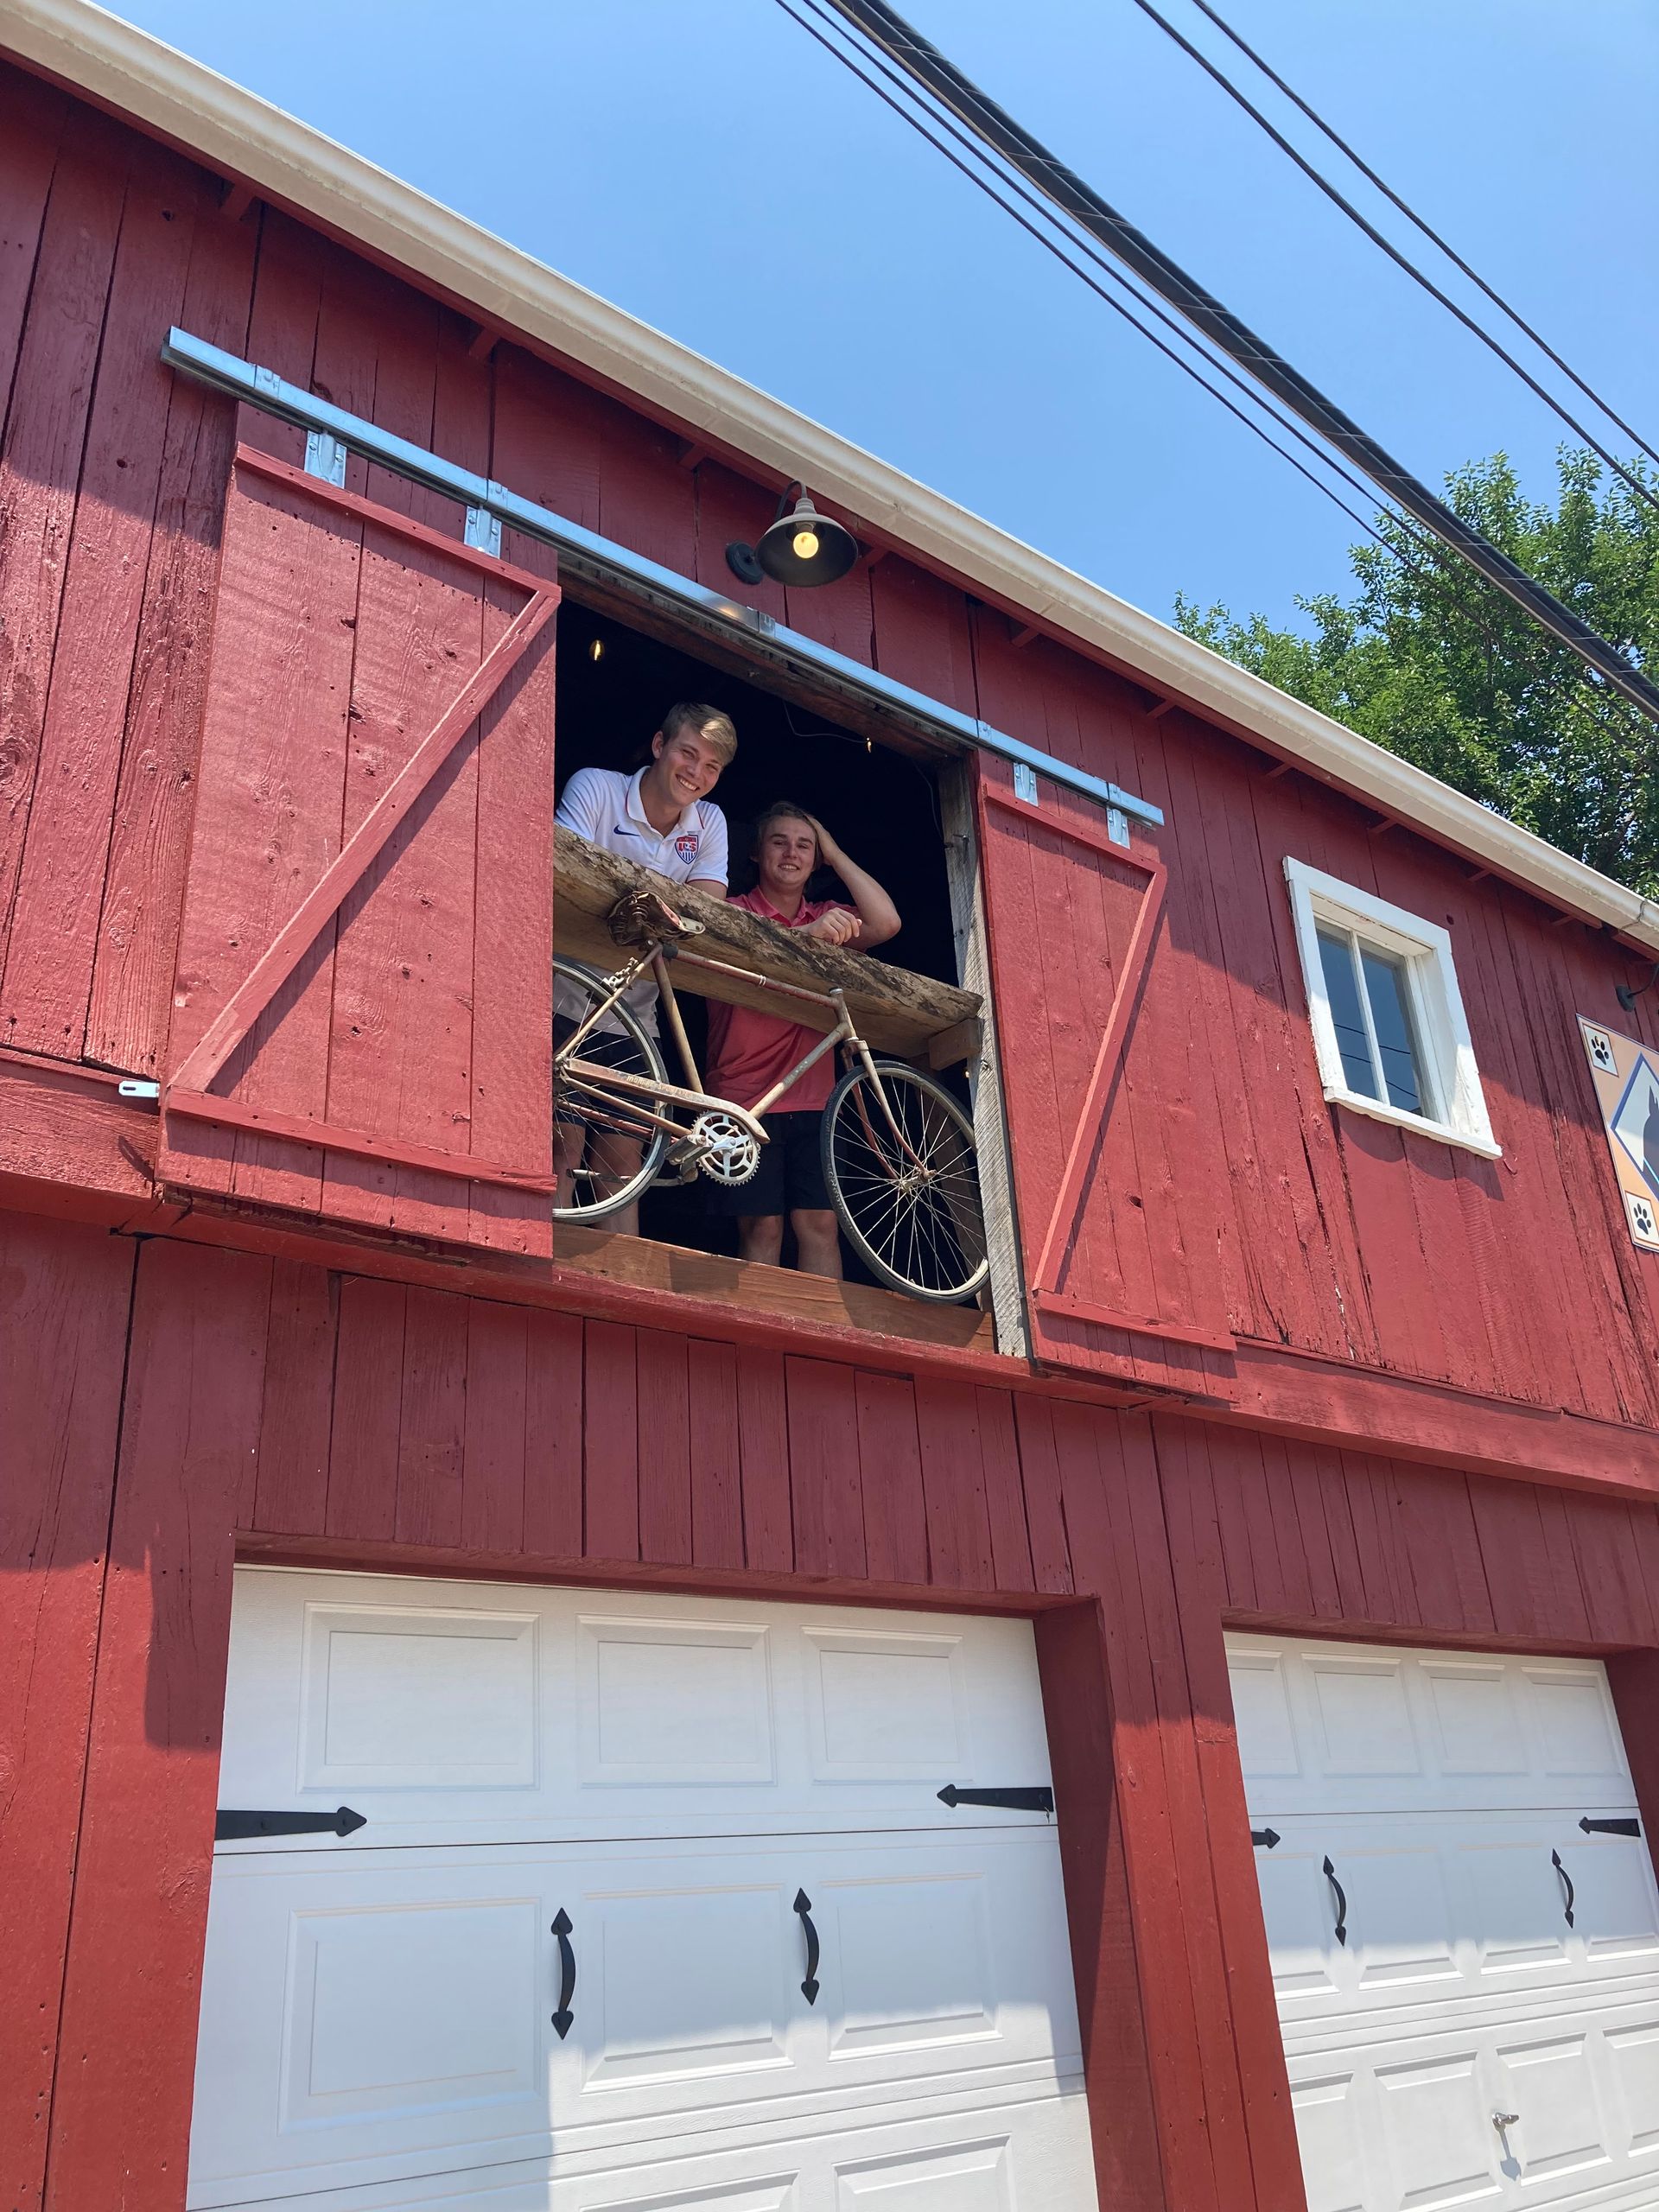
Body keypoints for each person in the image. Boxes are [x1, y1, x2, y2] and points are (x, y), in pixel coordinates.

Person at [555, 704, 736, 1232]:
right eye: (688, 754)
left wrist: (637, 901)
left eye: (712, 767)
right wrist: (660, 904)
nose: (696, 774)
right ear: (659, 746)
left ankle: (620, 1290)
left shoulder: (710, 821)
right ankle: (548, 1289)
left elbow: (704, 909)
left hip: (634, 1014)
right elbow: (566, 874)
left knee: (624, 1167)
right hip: (561, 995)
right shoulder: (597, 788)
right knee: (559, 1149)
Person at [704, 803, 900, 1277]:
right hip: (741, 1094)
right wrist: (805, 938)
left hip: (815, 1100)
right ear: (755, 853)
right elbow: (721, 940)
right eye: (779, 842)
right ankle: (761, 1336)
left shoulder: (829, 916)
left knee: (819, 1225)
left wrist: (833, 851)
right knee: (762, 1228)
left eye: (804, 845)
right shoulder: (733, 911)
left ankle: (823, 1342)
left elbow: (886, 923)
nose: (791, 853)